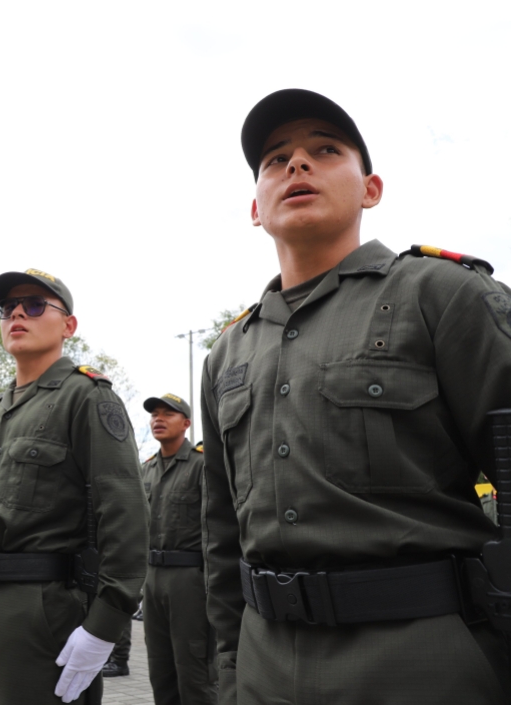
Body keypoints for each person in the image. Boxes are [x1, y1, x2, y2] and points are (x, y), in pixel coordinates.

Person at [201, 89, 511, 704]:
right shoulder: (227, 353)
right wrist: (234, 673)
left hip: (420, 664)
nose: (296, 164)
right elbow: (219, 536)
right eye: (274, 159)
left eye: (324, 149)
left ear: (370, 189)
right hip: (264, 668)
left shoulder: (443, 296)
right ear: (255, 209)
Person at [0, 269, 148, 705]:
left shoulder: (86, 395)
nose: (18, 315)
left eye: (35, 305)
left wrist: (104, 626)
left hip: (39, 606)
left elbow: (125, 513)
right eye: (8, 308)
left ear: (68, 325)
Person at [136, 393, 215, 703]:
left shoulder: (201, 463)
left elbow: (216, 526)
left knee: (194, 670)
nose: (158, 419)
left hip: (189, 580)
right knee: (160, 668)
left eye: (168, 414)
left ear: (186, 423)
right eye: (155, 414)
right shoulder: (147, 469)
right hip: (153, 577)